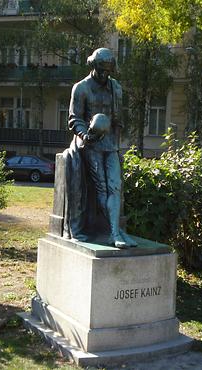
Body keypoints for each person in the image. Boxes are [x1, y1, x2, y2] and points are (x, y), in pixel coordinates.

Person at [63, 48, 137, 249]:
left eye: (107, 70)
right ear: (93, 66)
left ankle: (116, 231)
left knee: (115, 186)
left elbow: (118, 121)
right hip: (89, 144)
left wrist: (116, 145)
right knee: (102, 187)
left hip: (110, 145)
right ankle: (114, 233)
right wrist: (86, 136)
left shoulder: (116, 88)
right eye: (101, 70)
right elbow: (74, 119)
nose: (104, 74)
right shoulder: (81, 88)